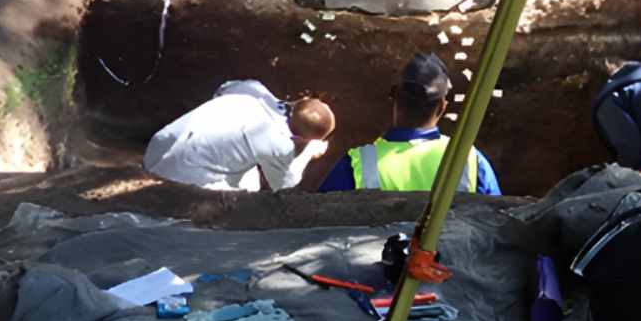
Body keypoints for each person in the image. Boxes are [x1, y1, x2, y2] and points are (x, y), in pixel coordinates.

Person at [318, 53, 501, 194]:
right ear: (442, 107)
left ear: (394, 96)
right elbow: (494, 223)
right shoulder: (469, 158)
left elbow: (321, 220)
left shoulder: (357, 163)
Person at [143, 79, 334, 191]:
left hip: (159, 147)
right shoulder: (278, 144)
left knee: (248, 162)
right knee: (250, 188)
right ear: (303, 139)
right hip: (177, 178)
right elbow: (285, 186)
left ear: (301, 100)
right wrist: (308, 152)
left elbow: (223, 88)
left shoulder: (253, 89)